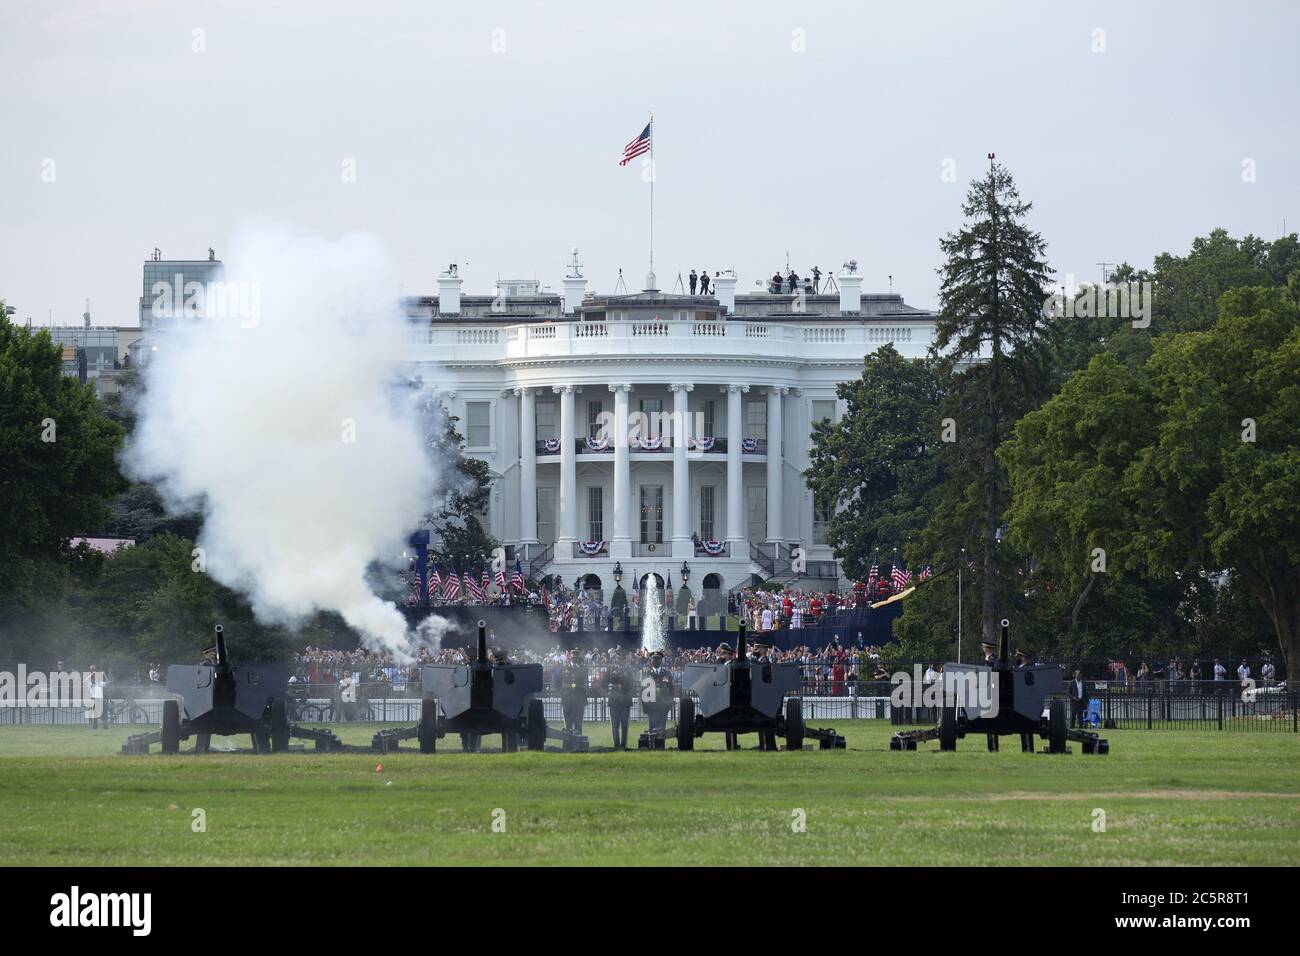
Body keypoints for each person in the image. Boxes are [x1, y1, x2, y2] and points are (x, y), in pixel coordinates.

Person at [606, 650, 634, 750]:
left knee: (625, 724)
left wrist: (619, 684)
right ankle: (616, 744)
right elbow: (607, 681)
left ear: (624, 658)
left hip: (625, 699)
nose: (620, 659)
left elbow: (630, 684)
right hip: (614, 699)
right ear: (616, 658)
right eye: (619, 657)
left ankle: (623, 744)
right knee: (615, 724)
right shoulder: (611, 668)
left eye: (622, 657)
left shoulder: (629, 669)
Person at [644, 651, 673, 736]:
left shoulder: (667, 673)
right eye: (654, 659)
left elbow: (671, 690)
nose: (656, 661)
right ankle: (652, 747)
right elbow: (643, 691)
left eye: (658, 659)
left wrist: (669, 704)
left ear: (661, 661)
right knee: (652, 728)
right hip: (651, 705)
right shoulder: (647, 673)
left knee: (662, 729)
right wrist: (645, 706)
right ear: (651, 661)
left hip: (663, 705)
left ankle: (661, 747)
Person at [559, 650, 587, 736]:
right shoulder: (564, 667)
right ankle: (568, 744)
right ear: (570, 656)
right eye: (573, 655)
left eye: (576, 655)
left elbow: (583, 679)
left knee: (578, 722)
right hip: (567, 698)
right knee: (568, 722)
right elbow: (558, 682)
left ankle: (579, 743)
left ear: (578, 657)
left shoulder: (583, 668)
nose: (574, 657)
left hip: (579, 698)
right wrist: (563, 692)